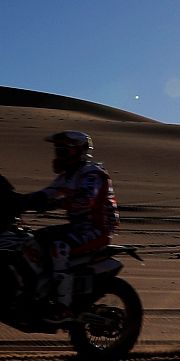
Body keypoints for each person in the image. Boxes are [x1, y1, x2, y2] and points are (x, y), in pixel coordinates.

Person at [19, 130, 119, 317]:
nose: (59, 155)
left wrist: (58, 202)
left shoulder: (92, 174)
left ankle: (63, 306)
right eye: (58, 151)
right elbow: (47, 193)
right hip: (78, 228)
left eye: (64, 151)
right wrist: (18, 201)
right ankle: (41, 289)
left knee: (58, 248)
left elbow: (87, 199)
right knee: (35, 239)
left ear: (79, 151)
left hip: (97, 229)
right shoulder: (67, 176)